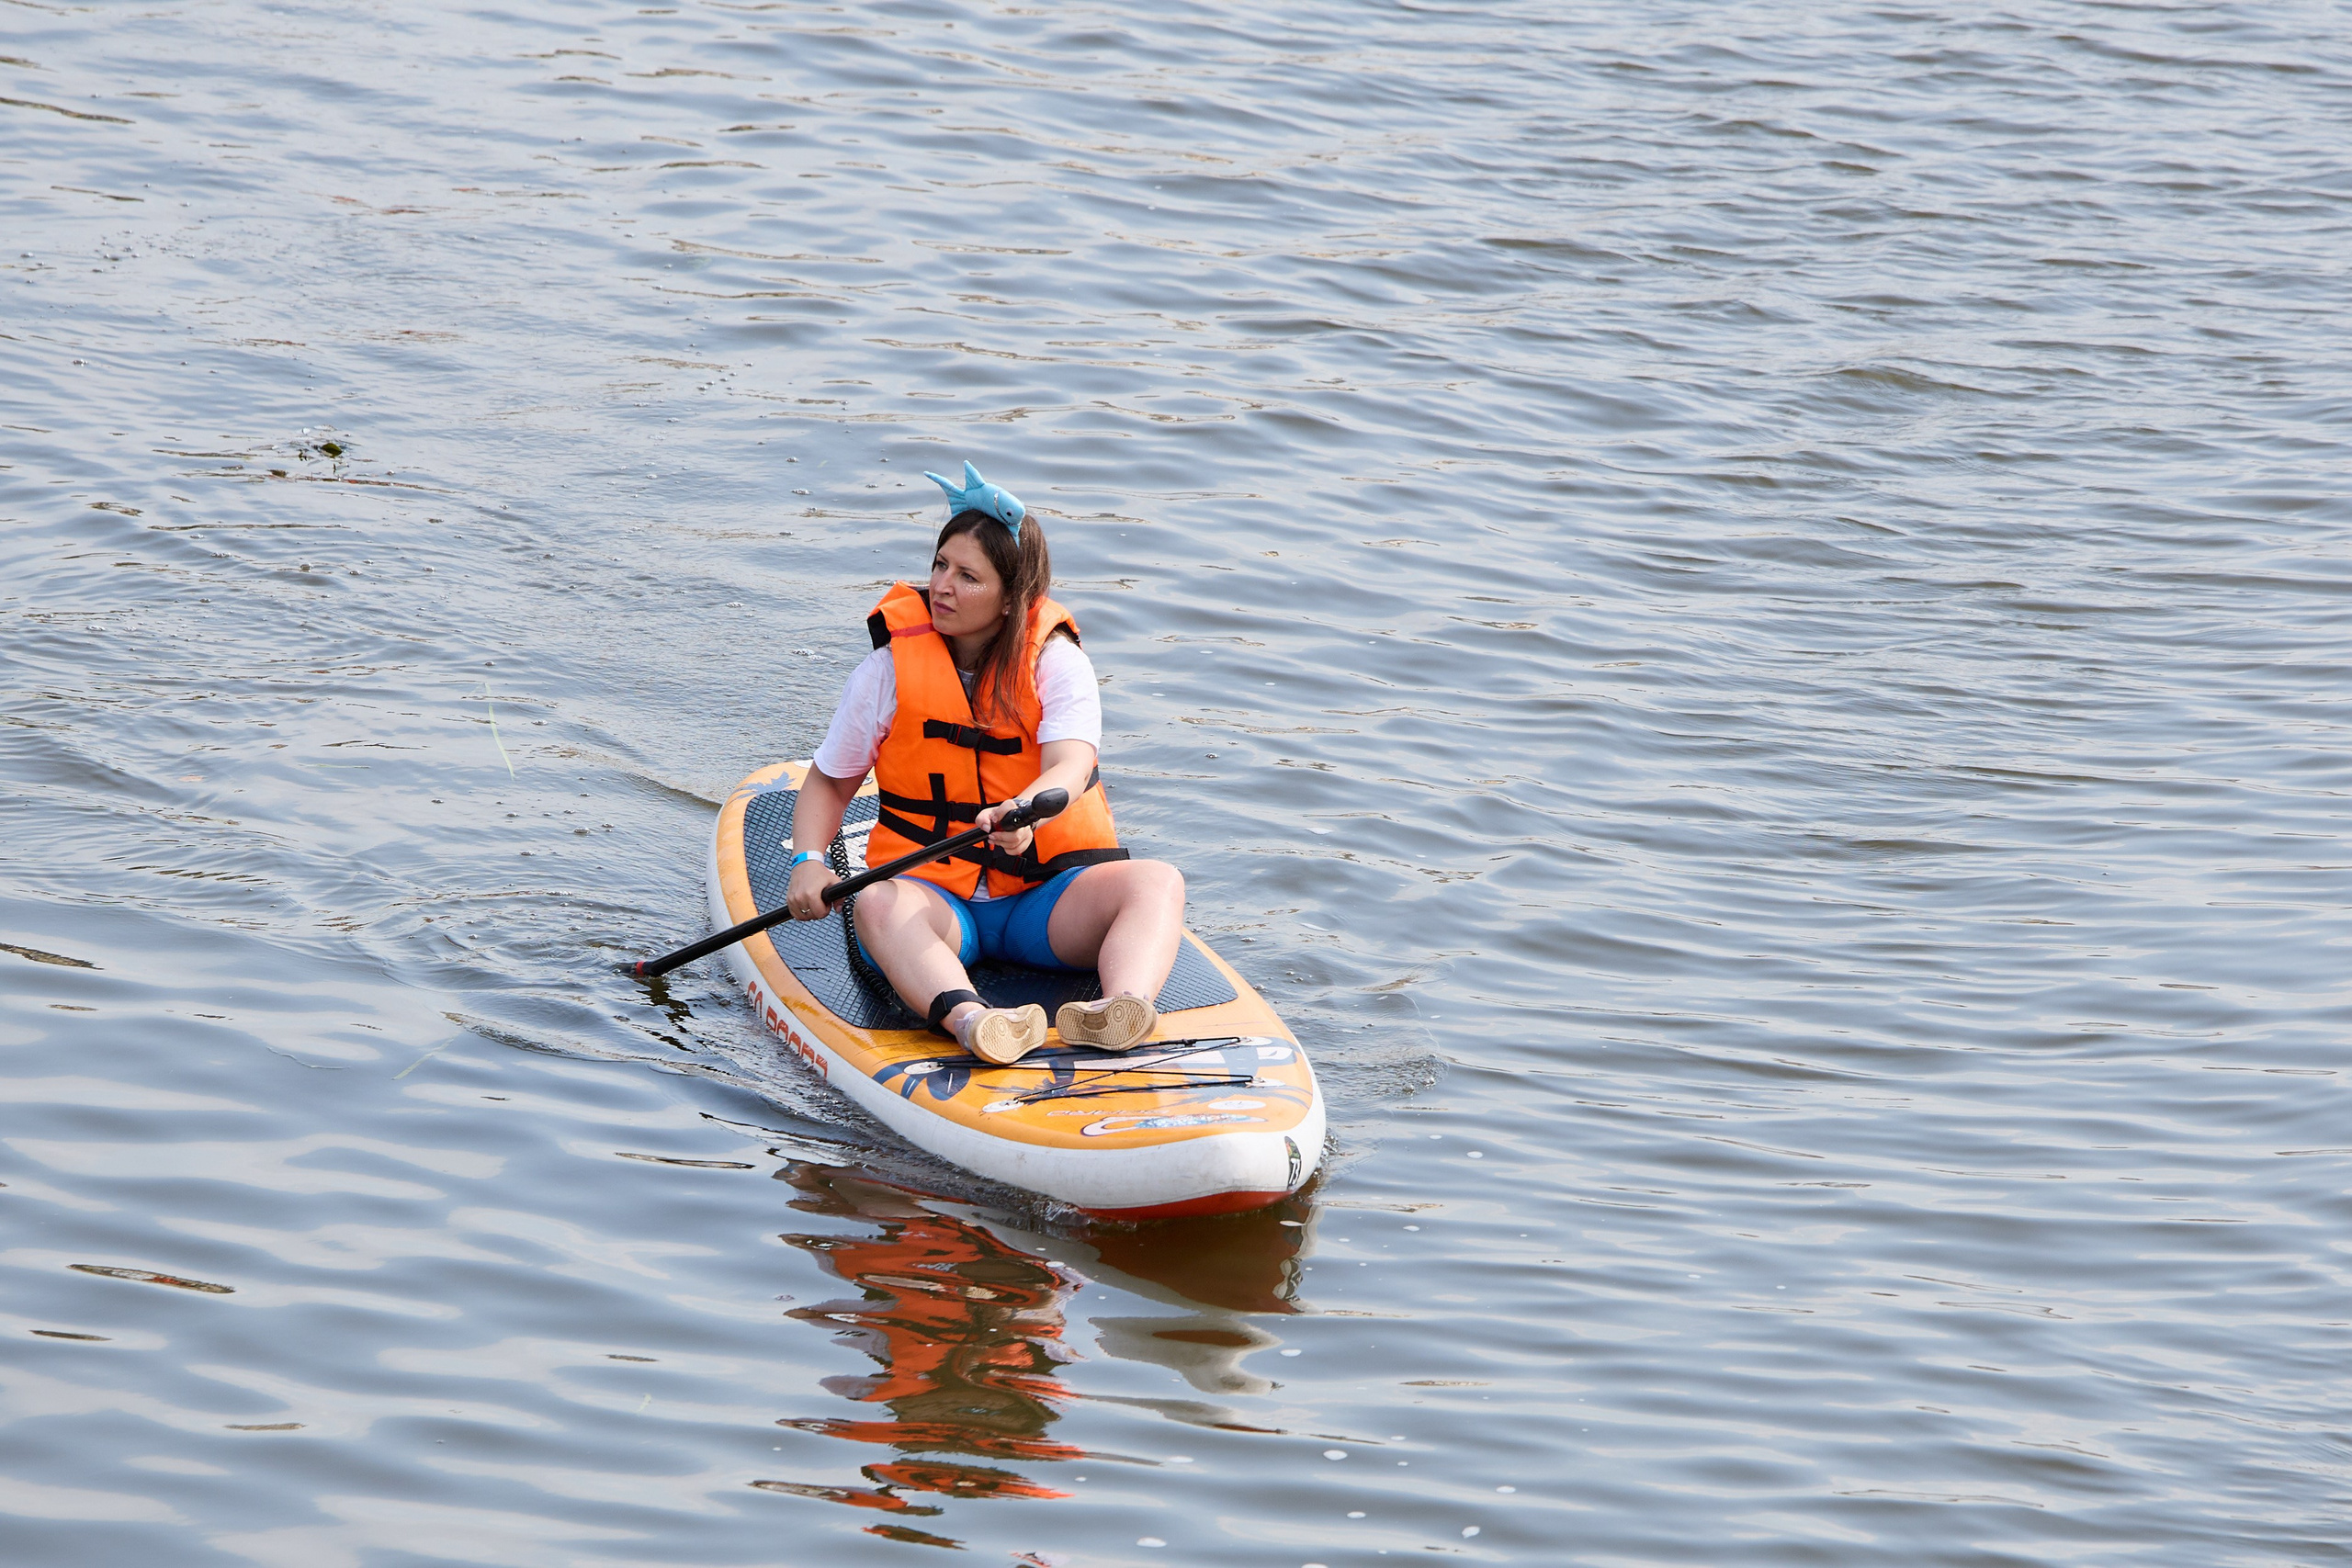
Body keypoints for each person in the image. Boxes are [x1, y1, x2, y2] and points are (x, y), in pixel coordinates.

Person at [783, 461, 1187, 1065]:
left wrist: (1026, 812)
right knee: (874, 903)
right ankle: (976, 1023)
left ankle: (1121, 1008)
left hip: (1044, 902)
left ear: (1009, 599)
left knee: (1159, 881)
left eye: (968, 575)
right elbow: (831, 779)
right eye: (940, 565)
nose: (942, 585)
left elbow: (1071, 764)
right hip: (936, 902)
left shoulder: (1055, 661)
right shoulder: (888, 672)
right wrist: (809, 861)